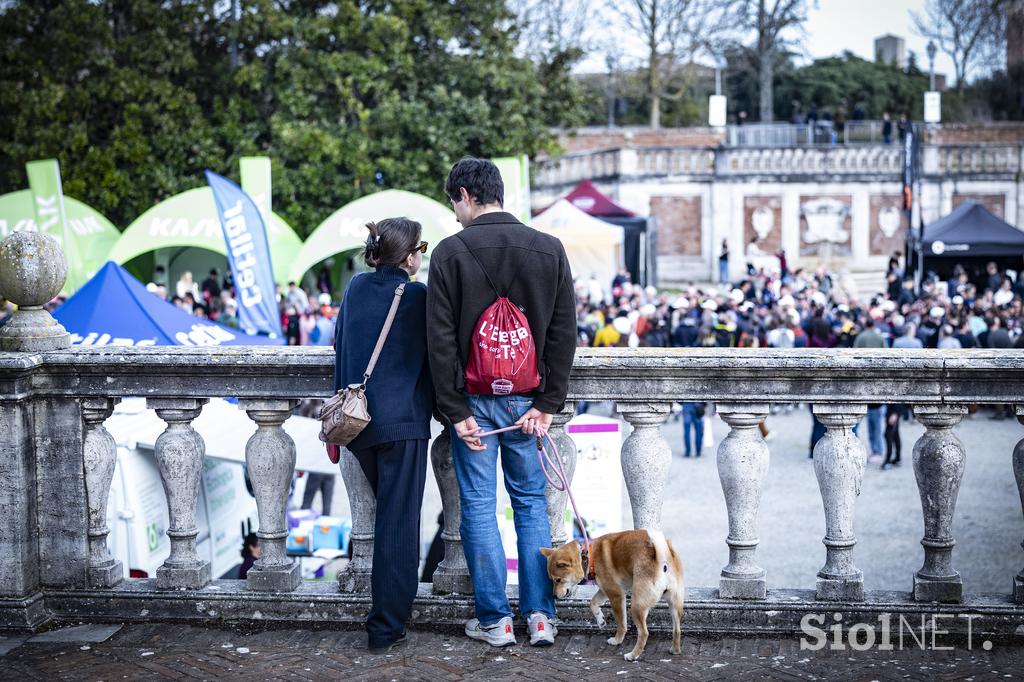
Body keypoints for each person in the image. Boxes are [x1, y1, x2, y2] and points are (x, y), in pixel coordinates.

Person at [426, 157, 576, 648]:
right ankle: (539, 616)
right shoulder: (549, 249)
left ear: (467, 194)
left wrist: (456, 411)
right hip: (529, 402)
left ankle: (495, 620)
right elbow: (562, 335)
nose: (453, 213)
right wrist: (548, 403)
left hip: (474, 401)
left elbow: (441, 341)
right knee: (531, 503)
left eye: (454, 201)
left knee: (477, 506)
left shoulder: (450, 253)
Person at [335, 217, 434, 654]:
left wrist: (337, 421)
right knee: (398, 526)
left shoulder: (356, 287)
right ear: (409, 255)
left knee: (388, 522)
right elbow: (434, 358)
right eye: (421, 249)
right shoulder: (416, 295)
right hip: (404, 423)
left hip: (357, 423)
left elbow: (341, 347)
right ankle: (386, 625)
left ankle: (387, 619)